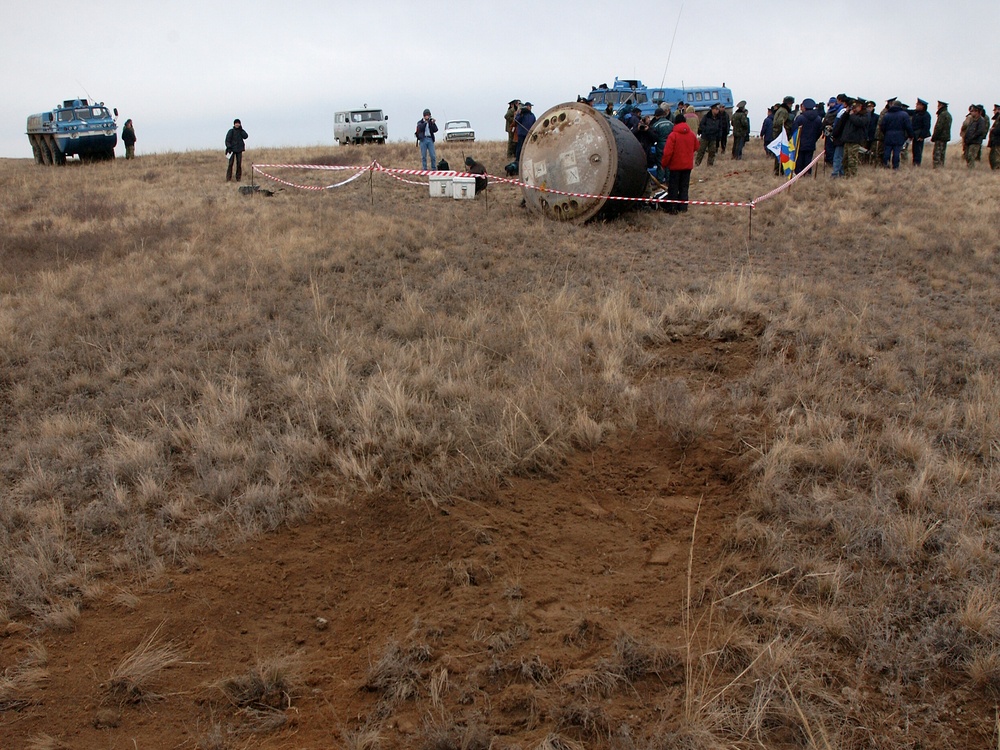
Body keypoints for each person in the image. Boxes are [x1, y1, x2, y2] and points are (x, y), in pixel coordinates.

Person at [660, 112, 698, 214]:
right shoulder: (691, 135)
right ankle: (683, 208)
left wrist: (664, 164)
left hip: (675, 166)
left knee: (673, 187)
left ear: (675, 123)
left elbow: (667, 153)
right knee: (684, 187)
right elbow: (696, 147)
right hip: (687, 166)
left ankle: (672, 208)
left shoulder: (673, 135)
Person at [791, 98, 823, 174]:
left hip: (800, 143)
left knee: (799, 160)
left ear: (804, 107)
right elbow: (819, 131)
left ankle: (799, 174)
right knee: (808, 160)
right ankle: (808, 174)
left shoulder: (800, 118)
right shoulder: (818, 119)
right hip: (811, 143)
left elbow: (794, 130)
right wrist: (814, 139)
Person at [880, 100, 914, 169]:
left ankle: (886, 165)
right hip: (899, 136)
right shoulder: (904, 115)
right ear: (900, 106)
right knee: (896, 152)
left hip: (888, 136)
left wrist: (886, 133)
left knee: (887, 151)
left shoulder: (887, 115)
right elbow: (908, 126)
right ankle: (895, 167)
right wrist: (911, 135)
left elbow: (882, 126)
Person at [841, 98, 870, 178]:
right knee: (845, 160)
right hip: (847, 140)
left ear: (860, 106)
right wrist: (846, 113)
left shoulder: (865, 115)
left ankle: (852, 176)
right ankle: (846, 175)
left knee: (852, 160)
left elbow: (860, 123)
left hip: (855, 140)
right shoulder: (851, 114)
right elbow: (842, 121)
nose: (854, 108)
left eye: (856, 106)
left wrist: (852, 115)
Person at [650, 104, 674, 181]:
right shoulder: (670, 123)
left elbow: (653, 137)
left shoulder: (656, 125)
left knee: (661, 163)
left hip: (661, 145)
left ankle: (660, 180)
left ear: (657, 116)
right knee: (669, 163)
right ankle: (669, 179)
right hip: (670, 145)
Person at [771, 96, 794, 175]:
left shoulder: (781, 110)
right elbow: (779, 123)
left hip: (779, 134)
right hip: (780, 134)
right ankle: (779, 171)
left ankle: (779, 170)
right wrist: (787, 126)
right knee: (781, 153)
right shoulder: (784, 111)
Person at [910, 99, 931, 166]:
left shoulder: (926, 115)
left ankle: (917, 164)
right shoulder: (916, 113)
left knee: (918, 150)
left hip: (919, 136)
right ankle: (914, 163)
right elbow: (908, 111)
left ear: (922, 106)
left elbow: (926, 127)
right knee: (914, 150)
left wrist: (922, 136)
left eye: (917, 104)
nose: (916, 105)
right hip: (915, 134)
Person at [931, 101, 952, 168]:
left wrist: (934, 137)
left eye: (938, 105)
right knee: (942, 154)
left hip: (940, 137)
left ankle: (936, 168)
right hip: (945, 137)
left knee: (937, 154)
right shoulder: (948, 115)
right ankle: (941, 168)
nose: (937, 107)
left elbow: (939, 127)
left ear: (941, 106)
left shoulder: (942, 115)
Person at [989, 105, 1000, 170]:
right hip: (995, 141)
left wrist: (993, 130)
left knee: (997, 159)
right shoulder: (997, 119)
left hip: (998, 141)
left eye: (995, 110)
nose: (994, 112)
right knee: (992, 158)